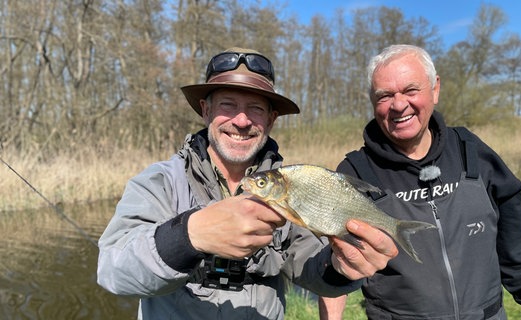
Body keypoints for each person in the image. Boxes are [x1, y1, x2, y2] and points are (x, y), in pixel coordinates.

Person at [97, 47, 398, 320]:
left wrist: (343, 268)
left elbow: (314, 268)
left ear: (271, 119)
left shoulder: (290, 187)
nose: (241, 121)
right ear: (206, 110)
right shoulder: (159, 181)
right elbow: (113, 271)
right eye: (228, 104)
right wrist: (190, 235)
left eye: (255, 108)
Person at [319, 44, 521, 320]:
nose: (399, 105)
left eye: (411, 90)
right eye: (385, 95)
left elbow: (514, 240)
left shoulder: (470, 151)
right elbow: (335, 260)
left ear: (435, 89)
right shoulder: (355, 172)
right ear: (373, 102)